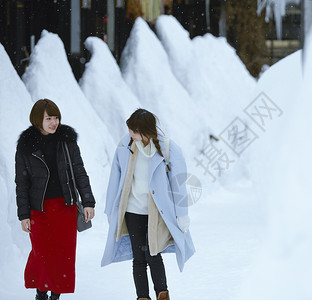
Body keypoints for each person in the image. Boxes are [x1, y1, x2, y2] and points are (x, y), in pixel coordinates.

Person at [101, 108, 195, 300]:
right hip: (132, 211)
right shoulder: (125, 145)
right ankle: (142, 297)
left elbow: (178, 183)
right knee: (138, 258)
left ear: (145, 131)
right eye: (129, 130)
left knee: (153, 254)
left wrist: (182, 213)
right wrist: (111, 207)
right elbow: (114, 177)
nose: (130, 135)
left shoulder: (168, 148)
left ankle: (162, 294)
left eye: (134, 131)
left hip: (157, 213)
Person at [15, 99, 95, 300]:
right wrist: (24, 215)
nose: (54, 122)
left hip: (64, 207)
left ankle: (56, 295)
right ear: (37, 120)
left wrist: (88, 202)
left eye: (56, 117)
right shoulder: (26, 146)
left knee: (63, 256)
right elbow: (21, 184)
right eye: (48, 118)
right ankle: (41, 293)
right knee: (42, 254)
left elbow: (79, 172)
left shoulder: (67, 140)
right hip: (39, 210)